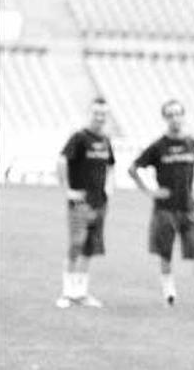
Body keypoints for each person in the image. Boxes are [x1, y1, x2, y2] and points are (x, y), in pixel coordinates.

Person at [128, 99, 194, 308]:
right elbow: (133, 169)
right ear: (165, 118)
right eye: (170, 115)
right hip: (165, 210)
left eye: (178, 114)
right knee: (165, 252)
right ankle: (169, 294)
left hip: (189, 208)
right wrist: (151, 192)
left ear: (183, 116)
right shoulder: (158, 146)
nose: (174, 118)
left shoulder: (193, 144)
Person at [55, 97, 116, 309]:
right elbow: (62, 160)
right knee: (76, 244)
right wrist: (67, 191)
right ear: (89, 114)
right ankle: (66, 293)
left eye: (103, 114)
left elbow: (110, 166)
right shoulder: (79, 138)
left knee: (90, 247)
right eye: (96, 113)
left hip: (99, 202)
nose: (99, 118)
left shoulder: (106, 140)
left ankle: (81, 293)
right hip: (80, 203)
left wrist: (110, 187)